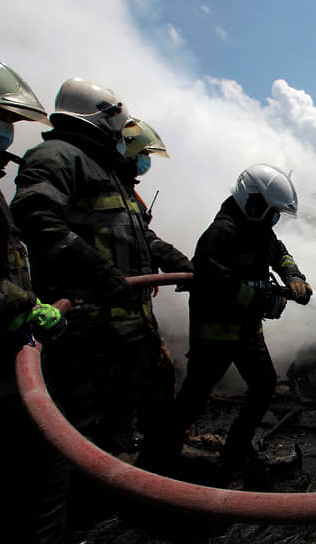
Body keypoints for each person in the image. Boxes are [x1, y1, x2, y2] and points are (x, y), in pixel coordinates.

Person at [11, 77, 189, 458]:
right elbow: (35, 216)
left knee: (148, 404)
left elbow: (139, 237)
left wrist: (177, 262)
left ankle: (151, 485)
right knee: (90, 421)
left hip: (132, 324)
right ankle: (98, 503)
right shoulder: (58, 157)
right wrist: (100, 272)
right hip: (90, 329)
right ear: (103, 119)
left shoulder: (109, 173)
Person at [140, 163, 312, 480]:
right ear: (254, 202)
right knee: (194, 398)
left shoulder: (259, 228)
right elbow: (216, 284)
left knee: (264, 385)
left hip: (247, 331)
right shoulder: (222, 233)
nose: (274, 220)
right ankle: (156, 463)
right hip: (215, 335)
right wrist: (264, 300)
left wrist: (293, 275)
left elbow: (279, 252)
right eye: (272, 212)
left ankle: (234, 453)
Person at [0, 59, 70, 544]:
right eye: (4, 121)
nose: (9, 134)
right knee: (37, 469)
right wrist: (21, 304)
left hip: (14, 348)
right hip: (9, 352)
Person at [113, 117, 194, 451]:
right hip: (98, 318)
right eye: (142, 153)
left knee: (157, 376)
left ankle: (152, 447)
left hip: (134, 313)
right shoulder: (92, 182)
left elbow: (145, 239)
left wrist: (183, 265)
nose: (144, 162)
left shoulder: (125, 193)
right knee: (108, 390)